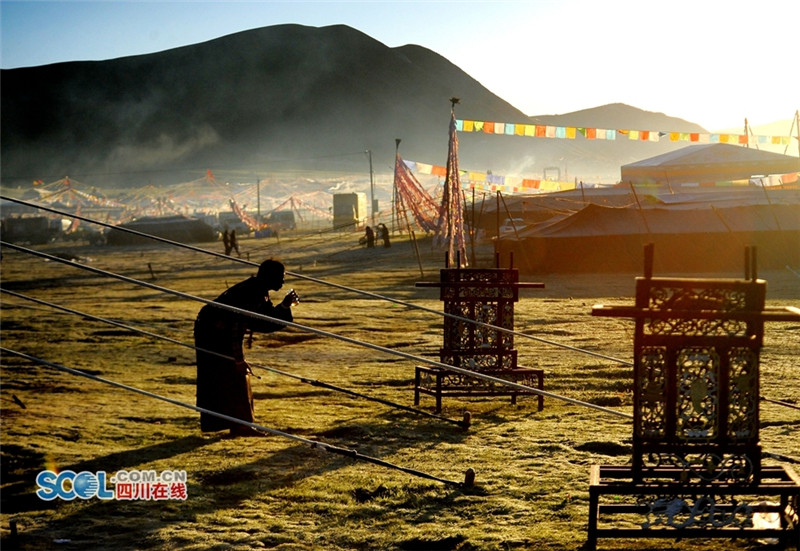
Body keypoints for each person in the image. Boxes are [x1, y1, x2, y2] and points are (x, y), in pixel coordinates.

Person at [194, 259, 299, 437]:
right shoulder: (251, 293)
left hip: (217, 331)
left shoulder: (259, 290)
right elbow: (235, 328)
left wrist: (284, 306)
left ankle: (239, 424)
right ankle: (240, 425)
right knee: (231, 374)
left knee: (234, 375)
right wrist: (238, 359)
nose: (283, 281)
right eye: (281, 277)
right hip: (213, 333)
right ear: (270, 276)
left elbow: (264, 321)